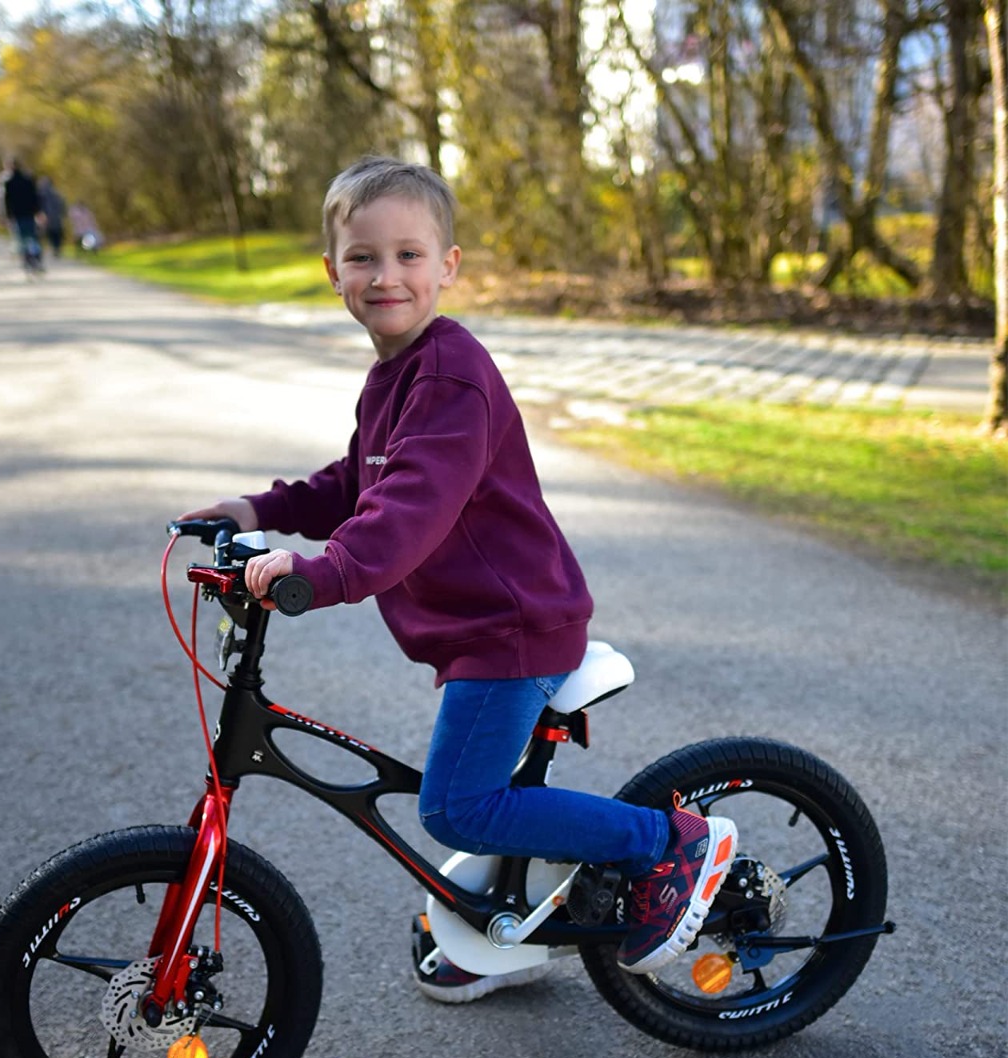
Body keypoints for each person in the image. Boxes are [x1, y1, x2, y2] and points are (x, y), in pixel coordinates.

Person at [178, 156, 737, 1003]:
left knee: (457, 807)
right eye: (363, 257)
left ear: (449, 266)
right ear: (333, 273)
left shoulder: (449, 373)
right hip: (479, 628)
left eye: (409, 255)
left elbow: (407, 510)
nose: (386, 275)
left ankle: (665, 842)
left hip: (509, 630)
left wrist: (321, 574)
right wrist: (256, 508)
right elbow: (358, 480)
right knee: (475, 793)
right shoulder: (396, 373)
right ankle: (494, 926)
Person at [0, 158, 42, 272]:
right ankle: (36, 259)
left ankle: (27, 261)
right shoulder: (29, 179)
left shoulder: (8, 182)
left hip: (16, 216)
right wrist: (38, 211)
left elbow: (4, 201)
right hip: (30, 214)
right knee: (33, 238)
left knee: (21, 240)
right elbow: (35, 197)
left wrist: (3, 216)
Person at [37, 176, 67, 257]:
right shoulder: (56, 193)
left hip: (45, 218)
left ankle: (45, 250)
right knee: (55, 235)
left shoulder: (40, 194)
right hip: (55, 218)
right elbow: (62, 206)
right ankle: (55, 250)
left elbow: (38, 206)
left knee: (45, 235)